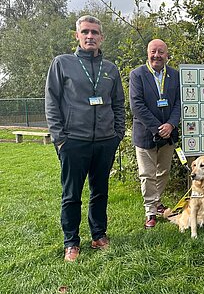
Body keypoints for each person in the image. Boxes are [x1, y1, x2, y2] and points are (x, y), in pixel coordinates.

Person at [45, 15, 125, 262]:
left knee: (100, 191)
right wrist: (60, 138)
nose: (90, 36)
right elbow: (52, 101)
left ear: (101, 37)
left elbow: (119, 104)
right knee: (71, 194)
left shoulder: (110, 69)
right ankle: (71, 242)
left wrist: (117, 134)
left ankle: (98, 234)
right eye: (85, 32)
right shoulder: (62, 63)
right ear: (77, 36)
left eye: (95, 32)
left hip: (104, 141)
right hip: (73, 142)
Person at [129, 39, 181, 229]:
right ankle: (150, 211)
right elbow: (137, 105)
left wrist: (171, 124)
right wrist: (158, 127)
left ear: (167, 55)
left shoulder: (174, 75)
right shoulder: (137, 75)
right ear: (147, 53)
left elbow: (178, 103)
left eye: (161, 52)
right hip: (145, 134)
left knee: (163, 172)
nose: (157, 56)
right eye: (153, 51)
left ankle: (156, 202)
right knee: (147, 174)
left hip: (169, 134)